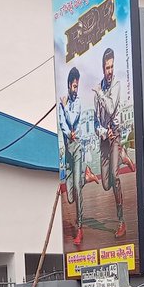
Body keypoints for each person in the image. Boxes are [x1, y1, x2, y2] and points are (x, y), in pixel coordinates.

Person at [93, 47, 127, 240]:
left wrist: (100, 94)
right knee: (106, 184)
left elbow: (111, 106)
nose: (110, 70)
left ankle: (121, 221)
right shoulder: (98, 90)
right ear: (102, 68)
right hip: (105, 139)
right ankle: (123, 156)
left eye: (112, 66)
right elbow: (96, 122)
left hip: (116, 137)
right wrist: (103, 132)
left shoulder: (116, 84)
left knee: (115, 177)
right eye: (107, 67)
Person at [59, 67, 89, 248]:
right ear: (69, 85)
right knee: (70, 197)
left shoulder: (76, 103)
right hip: (68, 155)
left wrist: (64, 107)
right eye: (74, 86)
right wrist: (68, 132)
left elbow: (71, 118)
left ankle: (80, 227)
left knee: (77, 188)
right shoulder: (63, 102)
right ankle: (86, 176)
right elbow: (63, 125)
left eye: (78, 86)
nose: (76, 89)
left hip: (77, 149)